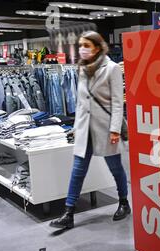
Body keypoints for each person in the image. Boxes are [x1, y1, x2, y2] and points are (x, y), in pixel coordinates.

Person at [50, 31, 131, 230]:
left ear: (97, 46)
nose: (82, 49)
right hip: (85, 129)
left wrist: (114, 129)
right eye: (80, 45)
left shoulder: (111, 68)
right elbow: (80, 102)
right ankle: (68, 213)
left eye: (86, 45)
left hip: (105, 128)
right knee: (78, 170)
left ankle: (123, 202)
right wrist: (77, 127)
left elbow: (118, 103)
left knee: (115, 168)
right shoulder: (82, 69)